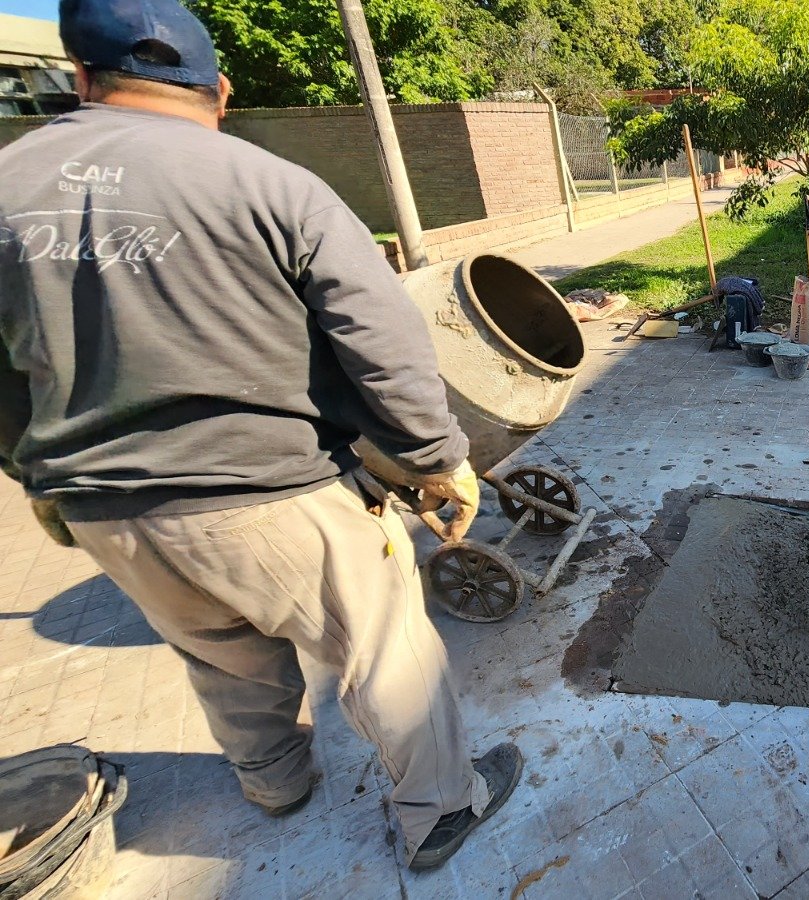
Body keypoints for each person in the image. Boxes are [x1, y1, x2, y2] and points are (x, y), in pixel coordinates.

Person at [0, 0, 518, 871]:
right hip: (272, 490)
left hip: (108, 510)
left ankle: (274, 782)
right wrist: (436, 460)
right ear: (220, 89)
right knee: (386, 652)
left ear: (81, 80)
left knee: (218, 651)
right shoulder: (269, 184)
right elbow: (379, 339)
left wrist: (36, 476)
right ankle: (440, 810)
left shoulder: (9, 186)